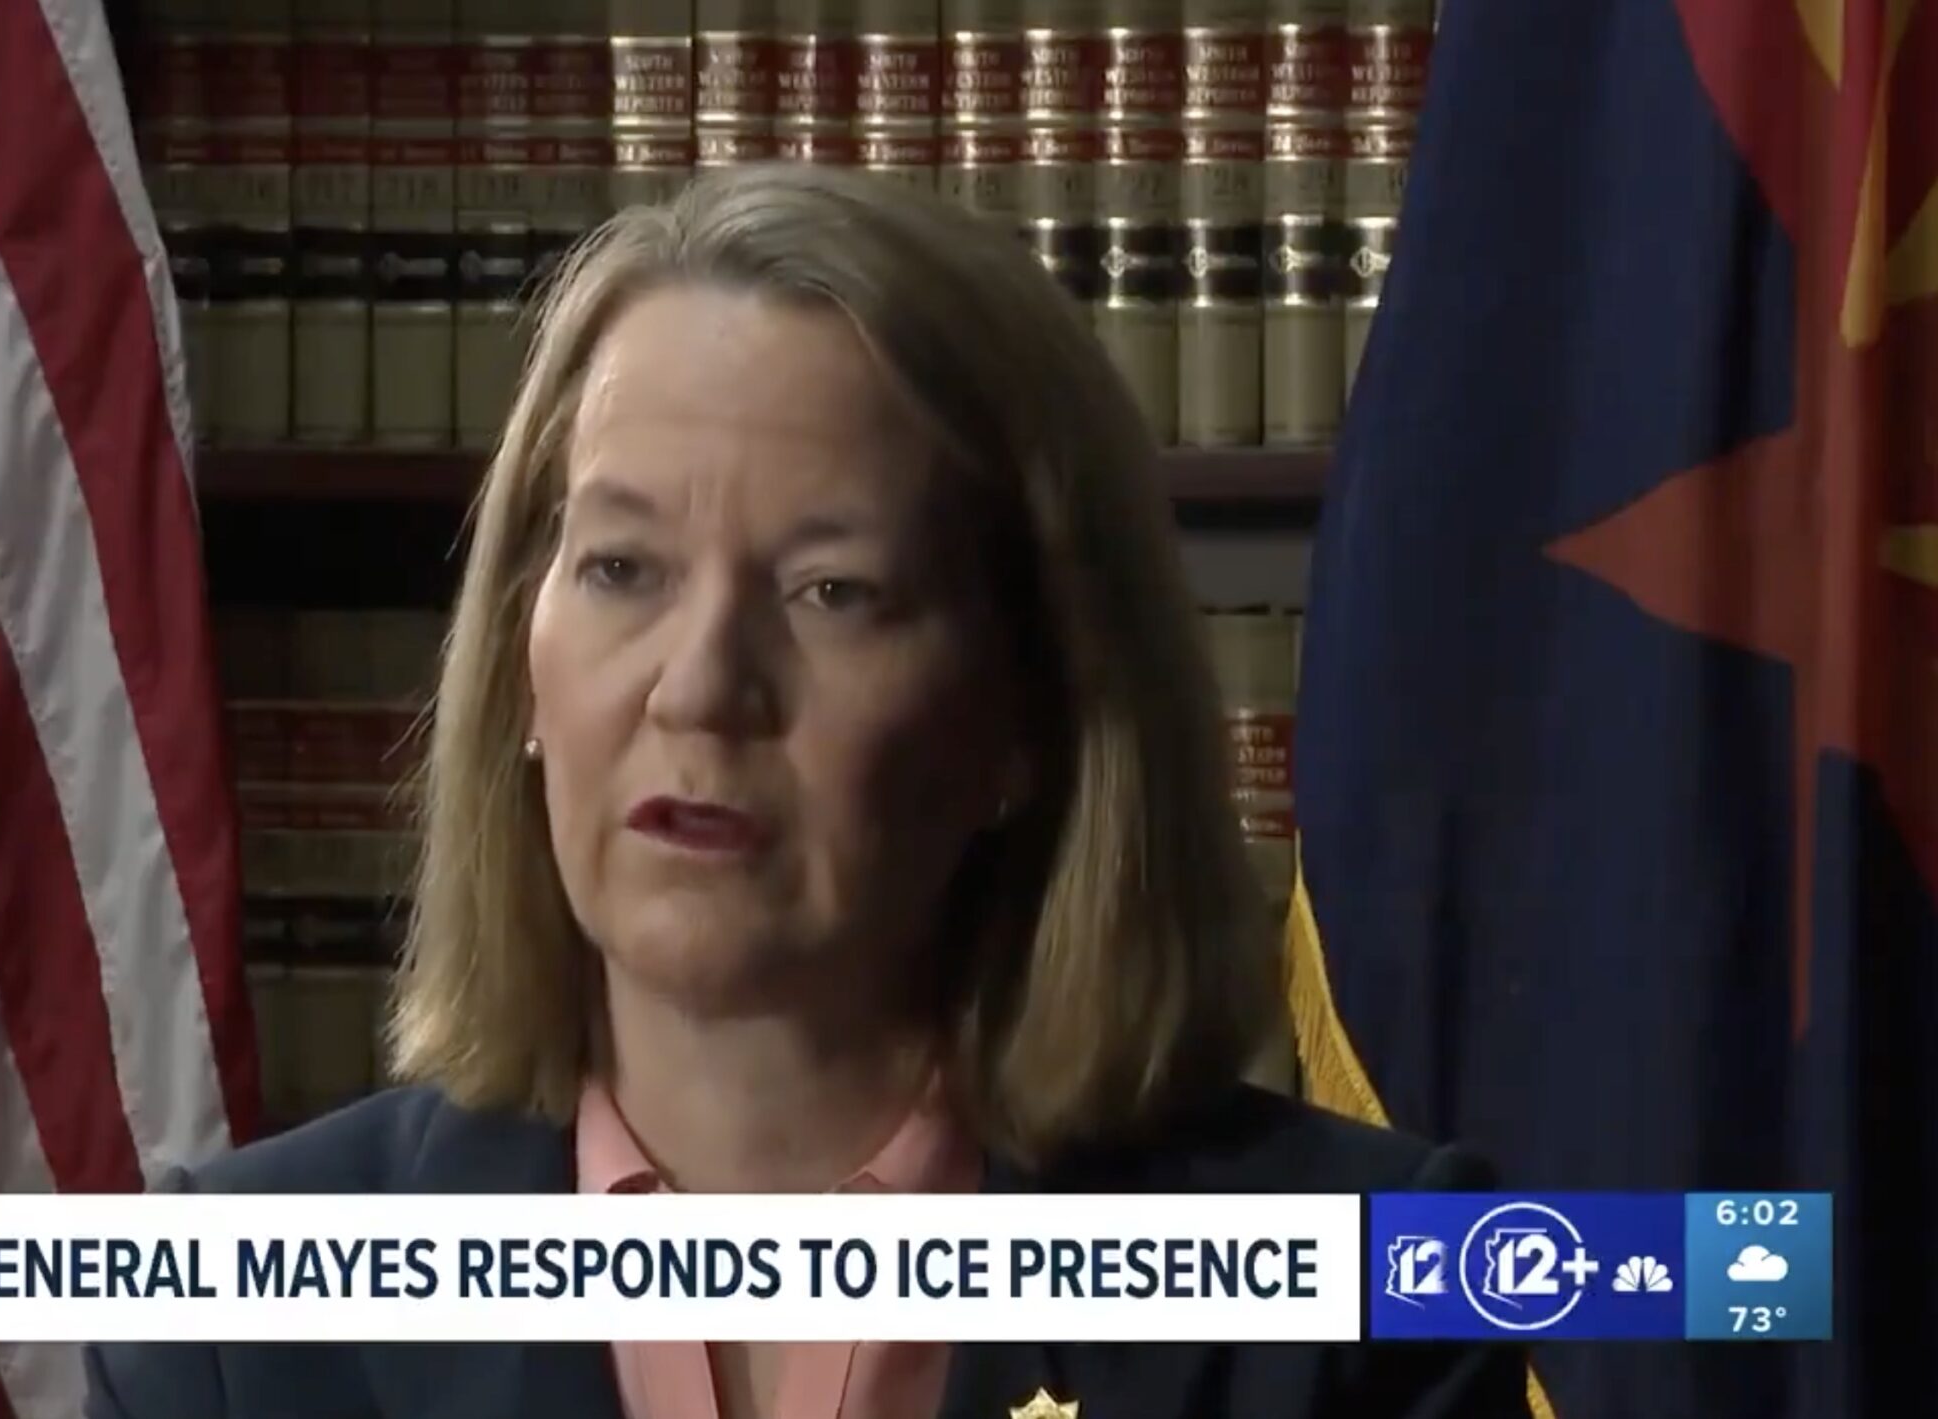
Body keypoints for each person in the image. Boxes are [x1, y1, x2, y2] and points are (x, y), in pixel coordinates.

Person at [86, 164, 1526, 1419]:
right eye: (621, 569)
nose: (700, 685)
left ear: (1027, 709)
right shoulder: (237, 1326)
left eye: (834, 591)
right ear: (522, 669)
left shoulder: (1367, 1301)